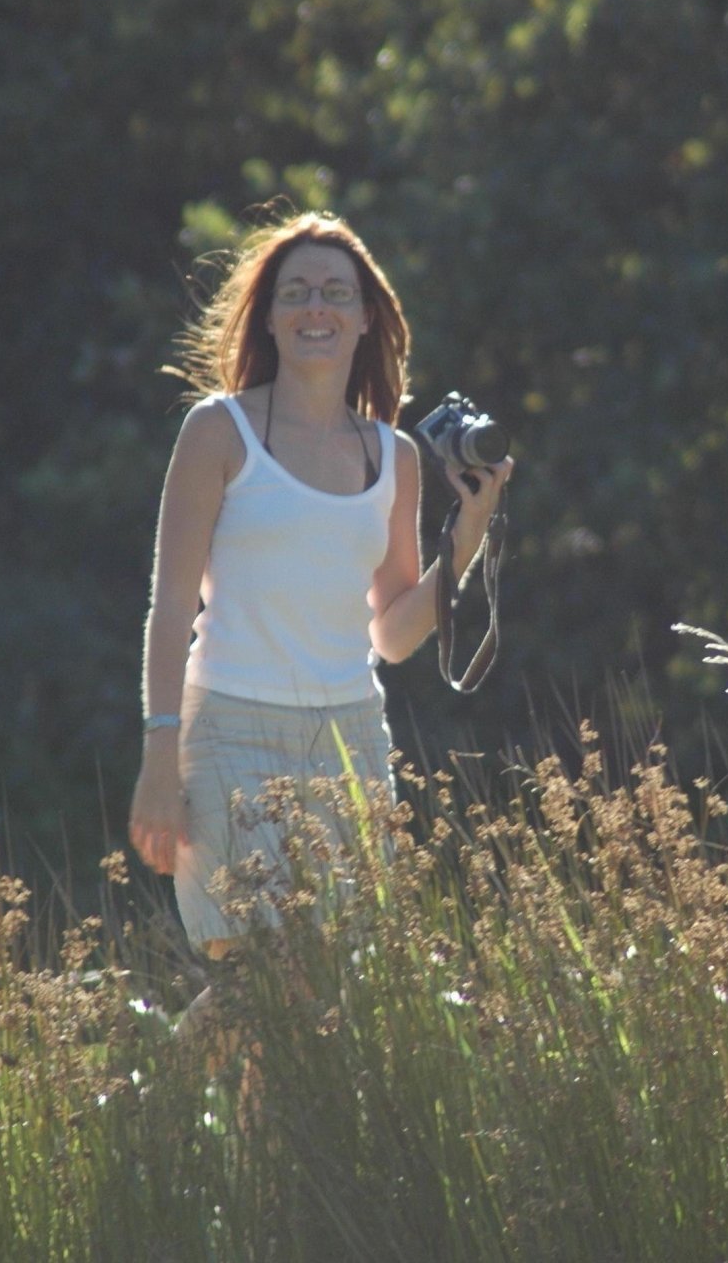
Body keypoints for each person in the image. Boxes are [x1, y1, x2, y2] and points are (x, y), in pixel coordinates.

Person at [127, 211, 512, 960]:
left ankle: (170, 1077)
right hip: (231, 732)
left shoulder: (393, 457)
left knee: (338, 987)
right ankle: (162, 1075)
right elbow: (170, 607)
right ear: (268, 317)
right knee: (256, 978)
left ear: (366, 319)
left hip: (350, 742)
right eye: (296, 292)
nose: (316, 309)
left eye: (336, 294)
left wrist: (464, 542)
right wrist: (158, 756)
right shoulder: (218, 431)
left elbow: (394, 634)